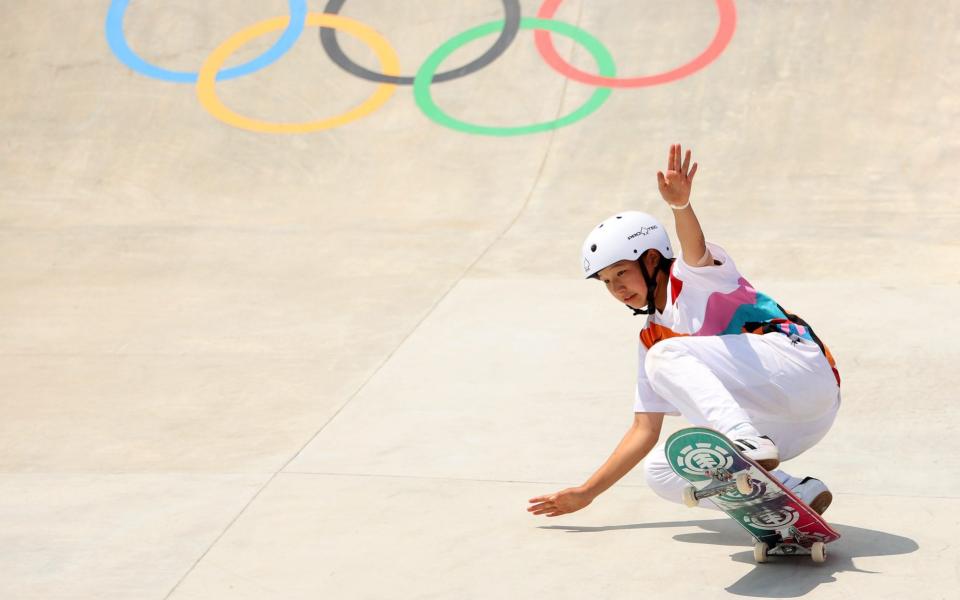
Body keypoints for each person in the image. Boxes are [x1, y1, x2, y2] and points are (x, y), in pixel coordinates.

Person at [527, 144, 841, 518]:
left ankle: (744, 442)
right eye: (607, 282)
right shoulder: (650, 337)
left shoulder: (692, 278)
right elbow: (644, 430)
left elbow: (694, 249)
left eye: (622, 273)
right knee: (663, 470)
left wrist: (680, 206)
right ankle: (791, 493)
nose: (617, 288)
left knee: (667, 356)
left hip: (803, 373)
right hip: (789, 425)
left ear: (652, 259)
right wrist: (586, 493)